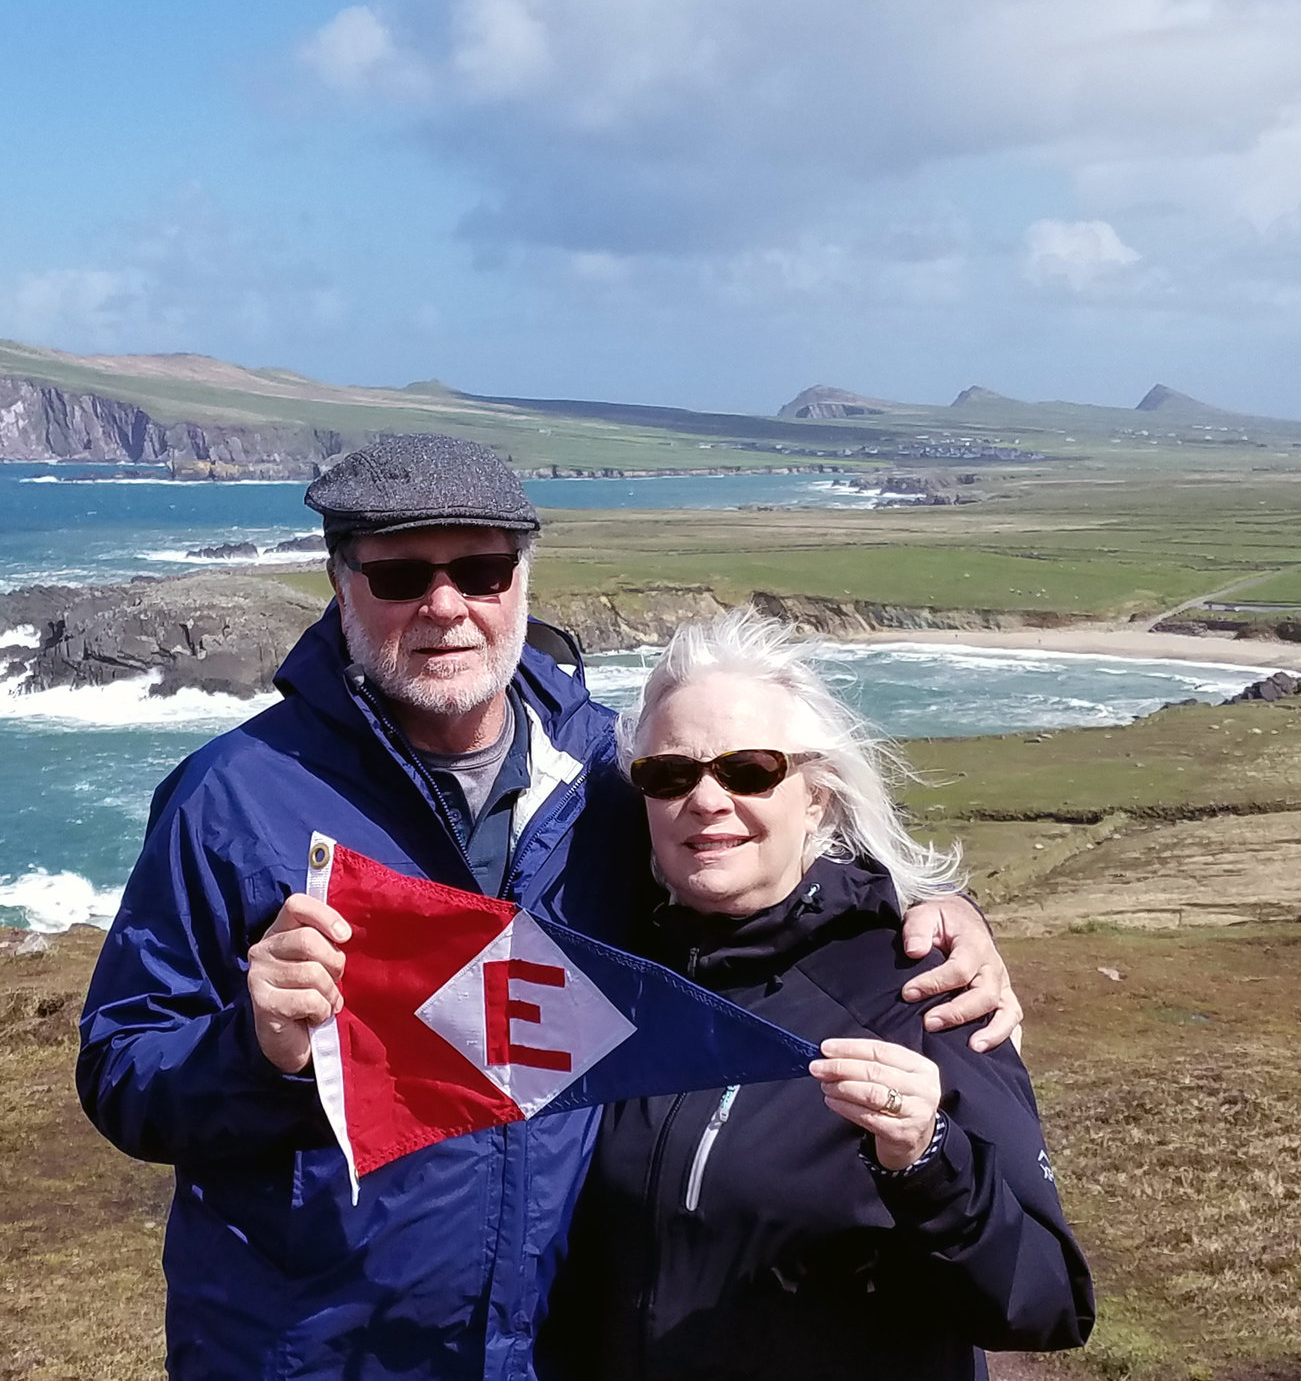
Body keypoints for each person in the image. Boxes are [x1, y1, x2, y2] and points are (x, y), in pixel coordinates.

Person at [77, 434, 1026, 1381]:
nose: (445, 606)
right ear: (341, 583)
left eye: (482, 570)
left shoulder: (606, 778)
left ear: (522, 580)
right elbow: (123, 1068)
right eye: (401, 574)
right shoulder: (233, 798)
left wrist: (934, 903)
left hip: (548, 1349)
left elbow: (747, 851)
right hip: (311, 1356)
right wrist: (258, 1049)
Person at [539, 608, 1094, 1381]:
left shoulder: (924, 989)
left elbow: (1046, 1301)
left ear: (818, 796)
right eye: (670, 774)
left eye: (750, 769)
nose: (706, 798)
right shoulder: (613, 974)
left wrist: (927, 1160)